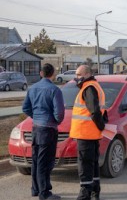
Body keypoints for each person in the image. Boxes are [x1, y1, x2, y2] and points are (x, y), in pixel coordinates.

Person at [22, 63, 65, 200]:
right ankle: (44, 193)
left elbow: (25, 108)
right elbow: (59, 113)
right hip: (48, 129)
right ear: (53, 74)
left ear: (41, 73)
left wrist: (36, 117)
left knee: (36, 160)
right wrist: (55, 121)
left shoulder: (32, 88)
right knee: (45, 162)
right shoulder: (55, 90)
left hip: (36, 128)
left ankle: (35, 189)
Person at [70, 65, 107, 200]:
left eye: (78, 75)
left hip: (86, 134)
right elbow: (100, 109)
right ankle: (94, 192)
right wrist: (101, 125)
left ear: (86, 74)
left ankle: (85, 194)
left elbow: (94, 111)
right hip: (91, 134)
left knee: (85, 165)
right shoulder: (94, 86)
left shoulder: (89, 88)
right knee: (93, 164)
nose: (76, 77)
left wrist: (101, 125)